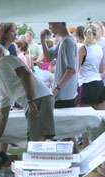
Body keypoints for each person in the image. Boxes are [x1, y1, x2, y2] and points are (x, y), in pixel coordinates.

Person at [0, 50, 55, 147]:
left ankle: (42, 160)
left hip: (38, 98)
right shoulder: (3, 84)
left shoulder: (5, 60)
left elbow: (25, 74)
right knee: (34, 140)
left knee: (37, 141)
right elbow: (4, 114)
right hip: (34, 101)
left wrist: (30, 101)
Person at [41, 22, 78, 152]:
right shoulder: (64, 40)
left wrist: (57, 88)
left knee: (65, 131)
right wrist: (42, 40)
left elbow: (72, 69)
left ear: (62, 24)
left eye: (52, 24)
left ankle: (75, 158)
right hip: (64, 93)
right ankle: (74, 158)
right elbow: (48, 57)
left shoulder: (68, 41)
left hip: (65, 93)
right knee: (65, 131)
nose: (50, 27)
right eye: (49, 24)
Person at [77, 24, 104, 148]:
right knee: (96, 119)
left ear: (83, 34)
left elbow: (77, 67)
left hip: (87, 83)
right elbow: (101, 68)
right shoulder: (99, 48)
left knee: (84, 118)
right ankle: (97, 146)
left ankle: (85, 147)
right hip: (98, 83)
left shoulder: (83, 49)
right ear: (95, 34)